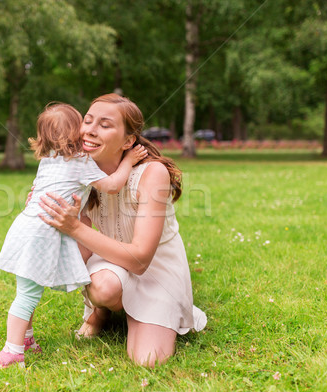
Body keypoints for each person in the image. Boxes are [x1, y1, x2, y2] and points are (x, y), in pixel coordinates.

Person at [38, 94, 207, 367]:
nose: (90, 129)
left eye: (105, 125)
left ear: (128, 141)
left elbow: (140, 261)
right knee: (104, 288)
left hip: (155, 272)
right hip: (108, 267)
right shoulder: (77, 172)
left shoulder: (152, 173)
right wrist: (42, 211)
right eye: (88, 121)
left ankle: (140, 312)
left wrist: (73, 227)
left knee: (148, 360)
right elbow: (77, 249)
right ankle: (100, 311)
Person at [0, 103, 147, 369]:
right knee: (27, 296)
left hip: (26, 228)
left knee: (27, 290)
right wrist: (130, 161)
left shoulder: (49, 159)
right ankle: (12, 351)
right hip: (42, 234)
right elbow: (110, 186)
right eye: (83, 124)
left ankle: (25, 340)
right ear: (73, 133)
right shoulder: (80, 163)